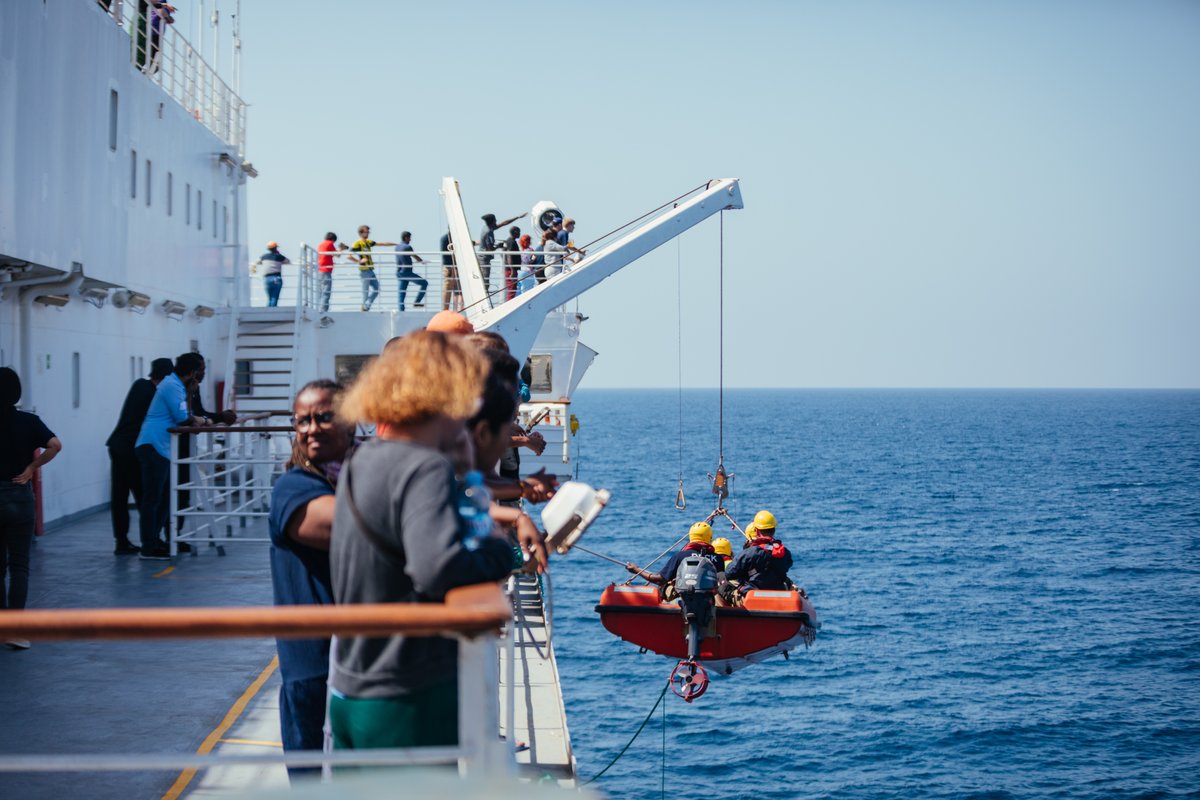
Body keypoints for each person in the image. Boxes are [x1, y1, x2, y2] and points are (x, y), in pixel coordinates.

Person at [328, 331, 524, 751]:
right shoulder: (423, 468)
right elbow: (437, 567)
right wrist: (499, 552)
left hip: (350, 686)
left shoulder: (365, 457)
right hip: (403, 694)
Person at [268, 379, 355, 778]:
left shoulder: (353, 479)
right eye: (301, 421)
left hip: (359, 665)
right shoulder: (293, 488)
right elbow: (351, 527)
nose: (311, 428)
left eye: (324, 417)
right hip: (313, 667)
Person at [0, 368, 62, 650]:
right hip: (19, 496)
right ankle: (15, 630)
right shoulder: (29, 421)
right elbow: (55, 445)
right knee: (20, 565)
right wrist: (31, 468)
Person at [134, 353, 208, 561]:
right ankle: (148, 546)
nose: (203, 373)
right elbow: (183, 417)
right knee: (153, 498)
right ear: (193, 372)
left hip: (161, 448)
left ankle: (155, 540)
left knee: (165, 498)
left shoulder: (177, 386)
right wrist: (200, 420)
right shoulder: (171, 386)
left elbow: (186, 414)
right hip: (152, 446)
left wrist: (193, 409)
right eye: (201, 369)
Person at [106, 357, 174, 555]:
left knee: (119, 496)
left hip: (117, 444)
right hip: (133, 448)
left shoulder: (139, 385)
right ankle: (152, 540)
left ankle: (121, 541)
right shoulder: (156, 393)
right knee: (148, 496)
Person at [626, 522, 723, 588]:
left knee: (664, 587)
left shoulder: (681, 556)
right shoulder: (718, 559)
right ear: (710, 538)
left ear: (691, 536)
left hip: (687, 600)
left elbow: (659, 580)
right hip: (710, 602)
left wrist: (636, 570)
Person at [724, 510, 795, 593]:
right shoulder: (785, 553)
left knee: (724, 583)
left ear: (756, 531)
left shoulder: (750, 552)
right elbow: (787, 565)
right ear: (774, 530)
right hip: (778, 593)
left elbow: (729, 572)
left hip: (754, 595)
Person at [347, 225, 398, 312]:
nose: (368, 233)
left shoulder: (368, 242)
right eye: (366, 232)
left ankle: (366, 306)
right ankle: (364, 308)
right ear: (361, 233)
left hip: (370, 270)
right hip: (364, 271)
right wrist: (359, 261)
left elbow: (382, 244)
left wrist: (396, 244)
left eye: (368, 232)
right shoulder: (358, 243)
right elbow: (349, 256)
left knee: (377, 288)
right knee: (365, 292)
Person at [478, 212, 526, 293]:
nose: (496, 221)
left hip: (483, 257)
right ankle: (483, 297)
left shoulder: (486, 227)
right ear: (492, 221)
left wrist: (517, 217)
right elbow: (490, 249)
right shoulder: (488, 232)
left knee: (485, 279)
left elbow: (503, 223)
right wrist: (498, 246)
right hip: (484, 258)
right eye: (495, 220)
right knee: (485, 280)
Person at [394, 231, 428, 312]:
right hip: (407, 272)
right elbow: (415, 256)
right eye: (409, 238)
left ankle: (401, 311)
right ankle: (417, 302)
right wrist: (422, 261)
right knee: (424, 283)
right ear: (406, 238)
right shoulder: (407, 247)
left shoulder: (397, 247)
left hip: (399, 272)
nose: (410, 239)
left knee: (402, 294)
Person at [316, 232, 347, 314]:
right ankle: (323, 311)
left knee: (320, 292)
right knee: (326, 292)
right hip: (326, 271)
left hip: (319, 270)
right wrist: (342, 249)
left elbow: (330, 254)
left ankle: (318, 308)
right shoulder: (330, 243)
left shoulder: (321, 244)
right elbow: (337, 255)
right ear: (333, 239)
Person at [254, 241, 290, 307]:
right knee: (274, 298)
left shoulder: (264, 256)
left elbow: (257, 262)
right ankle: (272, 310)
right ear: (276, 248)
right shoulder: (279, 256)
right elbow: (287, 261)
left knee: (270, 298)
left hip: (267, 279)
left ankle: (268, 310)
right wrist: (278, 254)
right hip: (276, 278)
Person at [439, 229, 459, 311]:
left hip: (450, 267)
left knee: (454, 289)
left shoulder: (445, 238)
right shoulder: (449, 238)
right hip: (450, 267)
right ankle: (446, 309)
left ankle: (449, 309)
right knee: (449, 289)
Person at [502, 226, 522, 301]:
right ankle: (510, 306)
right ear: (515, 232)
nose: (520, 233)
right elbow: (509, 255)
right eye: (519, 232)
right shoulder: (511, 242)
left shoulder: (507, 241)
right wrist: (512, 269)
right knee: (512, 290)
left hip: (508, 269)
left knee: (511, 289)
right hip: (511, 270)